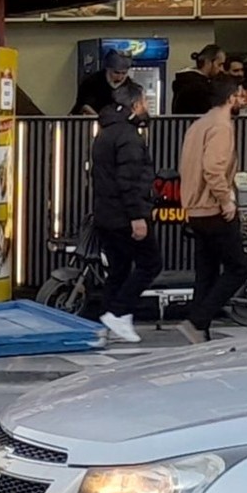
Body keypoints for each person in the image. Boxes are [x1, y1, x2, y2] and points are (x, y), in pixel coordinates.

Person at [178, 79, 247, 344]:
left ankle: (199, 330)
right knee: (237, 268)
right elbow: (213, 168)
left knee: (206, 271)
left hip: (194, 209)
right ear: (231, 98)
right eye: (241, 96)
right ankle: (197, 321)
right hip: (213, 208)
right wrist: (226, 199)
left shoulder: (198, 125)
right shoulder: (222, 127)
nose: (244, 101)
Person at [90, 79, 161, 344]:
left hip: (105, 215)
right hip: (125, 216)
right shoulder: (129, 137)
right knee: (150, 264)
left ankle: (107, 323)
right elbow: (129, 181)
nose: (147, 107)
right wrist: (137, 217)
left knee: (118, 269)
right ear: (134, 105)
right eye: (144, 102)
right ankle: (119, 314)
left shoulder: (105, 132)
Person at [73, 48, 133, 117]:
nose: (120, 77)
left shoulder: (130, 86)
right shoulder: (92, 83)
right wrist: (102, 121)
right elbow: (84, 106)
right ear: (108, 69)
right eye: (116, 73)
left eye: (124, 73)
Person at [171, 45, 224, 116]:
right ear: (208, 62)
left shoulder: (186, 81)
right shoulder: (199, 87)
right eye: (219, 65)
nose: (221, 69)